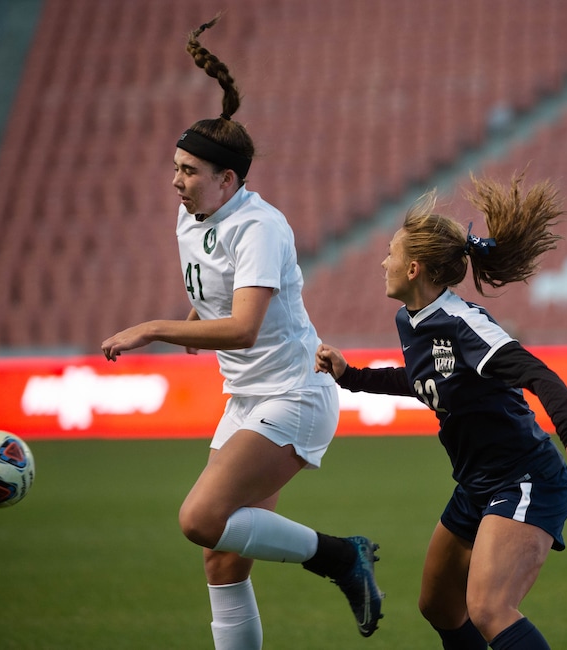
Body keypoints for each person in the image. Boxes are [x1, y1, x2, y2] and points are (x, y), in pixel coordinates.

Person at [100, 15, 383, 649]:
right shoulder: (192, 216)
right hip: (248, 398)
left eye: (190, 171)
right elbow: (212, 308)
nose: (178, 181)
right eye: (175, 167)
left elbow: (245, 327)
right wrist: (185, 325)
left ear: (228, 180)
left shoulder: (260, 227)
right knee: (222, 561)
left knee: (201, 519)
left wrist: (152, 329)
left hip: (294, 395)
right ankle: (336, 559)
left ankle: (341, 556)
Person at [314, 172, 567, 650]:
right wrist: (350, 376)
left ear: (414, 268)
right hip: (477, 485)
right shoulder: (411, 320)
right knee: (438, 605)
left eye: (390, 252)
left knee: (489, 609)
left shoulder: (464, 324)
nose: (382, 260)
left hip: (525, 479)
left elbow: (535, 371)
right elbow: (423, 381)